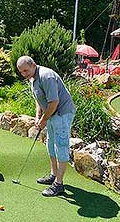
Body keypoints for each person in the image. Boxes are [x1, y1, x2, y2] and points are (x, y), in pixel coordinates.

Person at [16, 56, 76, 197]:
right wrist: (38, 117)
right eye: (21, 72)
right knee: (50, 144)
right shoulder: (32, 78)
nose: (24, 74)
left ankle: (59, 184)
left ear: (33, 65)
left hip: (61, 113)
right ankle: (53, 175)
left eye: (26, 70)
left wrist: (44, 119)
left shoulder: (46, 76)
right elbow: (39, 99)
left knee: (61, 146)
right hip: (51, 114)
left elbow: (54, 102)